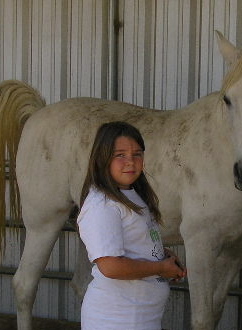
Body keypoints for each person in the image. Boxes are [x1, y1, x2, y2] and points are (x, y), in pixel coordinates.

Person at [77, 121, 187, 330]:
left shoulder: (131, 194)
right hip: (117, 320)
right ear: (102, 158)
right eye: (120, 155)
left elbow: (135, 242)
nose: (131, 161)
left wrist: (162, 255)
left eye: (137, 154)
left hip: (139, 317)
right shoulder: (102, 205)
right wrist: (160, 268)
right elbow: (110, 266)